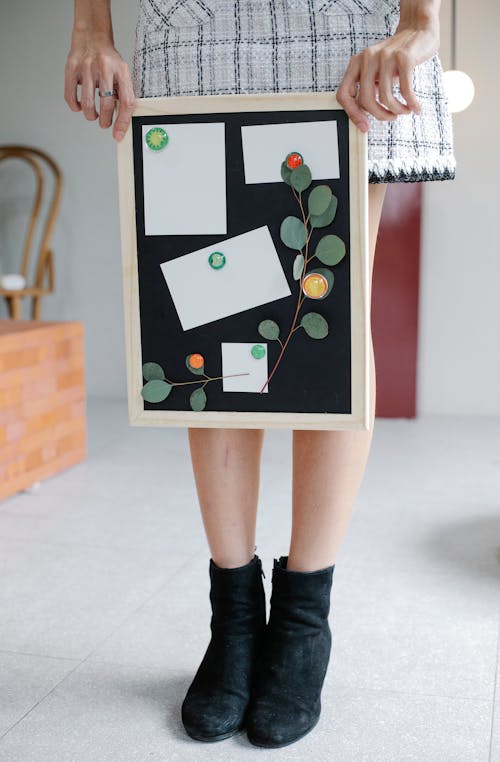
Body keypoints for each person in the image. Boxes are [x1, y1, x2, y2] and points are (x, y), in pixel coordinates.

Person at [65, 0, 455, 749]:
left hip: (350, 32)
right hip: (196, 26)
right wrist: (90, 27)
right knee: (211, 323)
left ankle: (304, 620)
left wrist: (419, 18)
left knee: (330, 327)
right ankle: (236, 619)